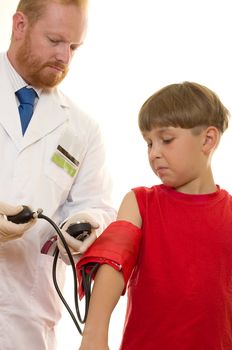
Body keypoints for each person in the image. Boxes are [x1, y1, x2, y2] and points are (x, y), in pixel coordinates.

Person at [76, 81, 232, 350]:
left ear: (208, 139)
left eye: (166, 139)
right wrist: (94, 335)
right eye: (149, 143)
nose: (154, 153)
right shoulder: (140, 202)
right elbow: (114, 264)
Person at [0, 0, 116, 349]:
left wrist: (85, 225)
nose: (64, 57)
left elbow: (99, 207)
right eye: (55, 40)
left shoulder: (82, 129)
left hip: (28, 323)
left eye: (74, 47)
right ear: (19, 25)